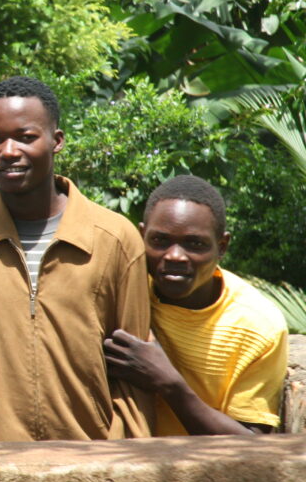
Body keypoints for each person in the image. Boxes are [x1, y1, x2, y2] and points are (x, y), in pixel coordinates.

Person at [0, 76, 152, 441]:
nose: (8, 151)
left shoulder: (114, 238)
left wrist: (128, 451)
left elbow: (137, 368)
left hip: (93, 457)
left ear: (56, 141)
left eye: (26, 137)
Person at [104, 175, 288, 435]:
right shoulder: (124, 290)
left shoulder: (258, 326)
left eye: (195, 244)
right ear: (142, 236)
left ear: (222, 246)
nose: (175, 256)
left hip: (201, 462)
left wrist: (169, 384)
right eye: (160, 241)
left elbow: (251, 442)